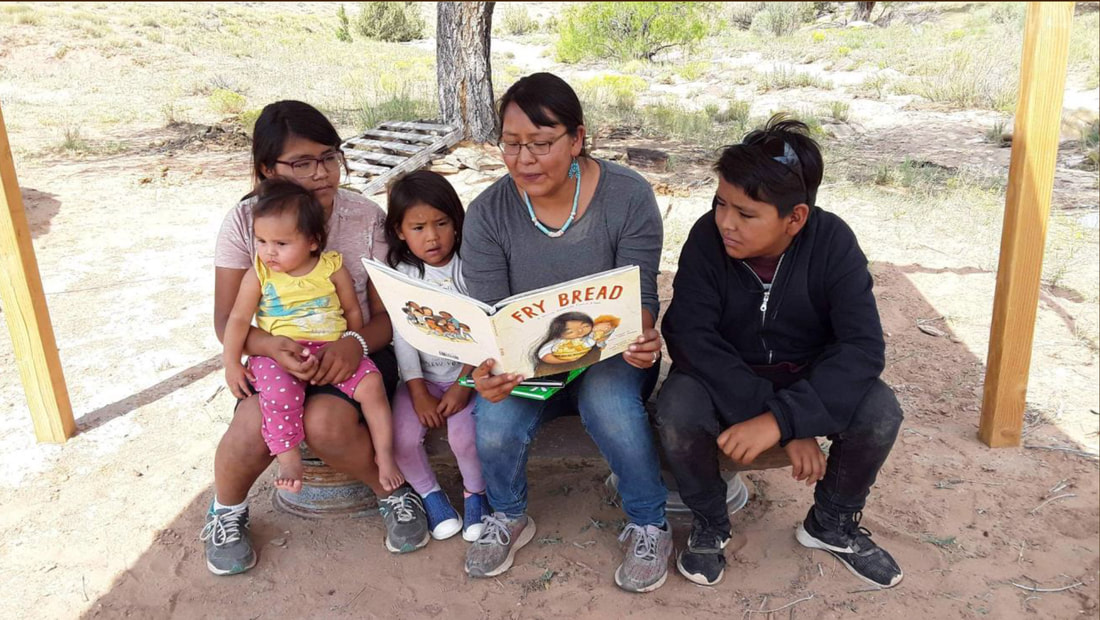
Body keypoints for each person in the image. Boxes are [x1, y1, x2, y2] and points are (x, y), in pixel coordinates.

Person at [655, 115, 904, 589]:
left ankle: (831, 522)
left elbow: (862, 348)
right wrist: (782, 424)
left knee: (880, 410)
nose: (725, 222)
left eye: (746, 214)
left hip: (807, 377)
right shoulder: (707, 238)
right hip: (724, 377)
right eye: (719, 203)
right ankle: (710, 521)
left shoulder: (833, 243)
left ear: (796, 218)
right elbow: (689, 335)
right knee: (677, 411)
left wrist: (784, 419)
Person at [461, 72, 670, 593]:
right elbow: (490, 316)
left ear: (577, 139)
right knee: (494, 421)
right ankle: (508, 515)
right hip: (528, 363)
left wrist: (643, 341)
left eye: (541, 143)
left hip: (612, 355)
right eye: (511, 144)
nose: (524, 159)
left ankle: (650, 524)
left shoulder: (627, 197)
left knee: (612, 409)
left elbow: (640, 297)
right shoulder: (488, 213)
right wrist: (485, 368)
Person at [203, 100, 429, 576]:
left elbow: (390, 317)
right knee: (251, 425)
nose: (323, 172)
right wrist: (267, 347)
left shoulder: (364, 217)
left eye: (329, 156)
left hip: (355, 348)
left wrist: (356, 343)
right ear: (268, 170)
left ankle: (392, 492)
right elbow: (228, 318)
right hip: (277, 352)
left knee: (325, 423)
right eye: (302, 163)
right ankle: (226, 512)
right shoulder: (247, 224)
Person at [221, 178, 404, 496]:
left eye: (281, 243)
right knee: (278, 397)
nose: (268, 252)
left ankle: (385, 458)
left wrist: (351, 343)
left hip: (331, 350)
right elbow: (236, 318)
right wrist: (231, 363)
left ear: (312, 241)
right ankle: (289, 459)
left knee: (371, 386)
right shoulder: (260, 274)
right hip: (279, 354)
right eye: (262, 241)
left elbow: (352, 312)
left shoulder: (332, 268)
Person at [385, 170, 491, 545]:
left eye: (442, 223)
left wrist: (464, 384)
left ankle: (476, 495)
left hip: (469, 377)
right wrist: (416, 391)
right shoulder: (402, 274)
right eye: (418, 227)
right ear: (399, 230)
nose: (432, 236)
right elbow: (403, 336)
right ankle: (430, 494)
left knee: (466, 439)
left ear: (457, 222)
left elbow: (483, 329)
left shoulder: (470, 267)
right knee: (401, 438)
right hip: (421, 379)